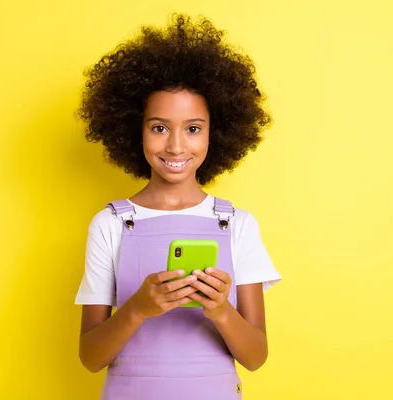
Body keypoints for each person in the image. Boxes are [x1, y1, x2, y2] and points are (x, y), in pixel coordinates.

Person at [74, 14, 281, 400]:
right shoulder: (111, 224)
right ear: (134, 130)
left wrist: (220, 309)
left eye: (193, 128)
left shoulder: (237, 224)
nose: (175, 146)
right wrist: (137, 308)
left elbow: (255, 357)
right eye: (158, 127)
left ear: (215, 133)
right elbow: (90, 357)